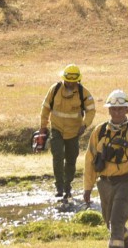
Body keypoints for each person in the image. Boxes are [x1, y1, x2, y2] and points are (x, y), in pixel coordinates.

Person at [83, 89, 128, 248]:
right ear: (109, 110)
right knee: (110, 223)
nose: (117, 112)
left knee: (116, 221)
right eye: (113, 109)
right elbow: (89, 161)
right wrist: (87, 187)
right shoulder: (99, 132)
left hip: (126, 182)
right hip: (104, 183)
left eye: (120, 109)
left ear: (127, 110)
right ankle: (126, 240)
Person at [40, 64, 96, 200]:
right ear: (63, 79)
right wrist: (43, 126)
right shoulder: (55, 89)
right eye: (68, 81)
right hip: (56, 129)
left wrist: (84, 125)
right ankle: (59, 187)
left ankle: (67, 187)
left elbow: (91, 110)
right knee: (58, 156)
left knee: (71, 159)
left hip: (74, 132)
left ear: (78, 80)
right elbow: (45, 107)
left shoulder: (83, 92)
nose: (70, 83)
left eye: (73, 81)